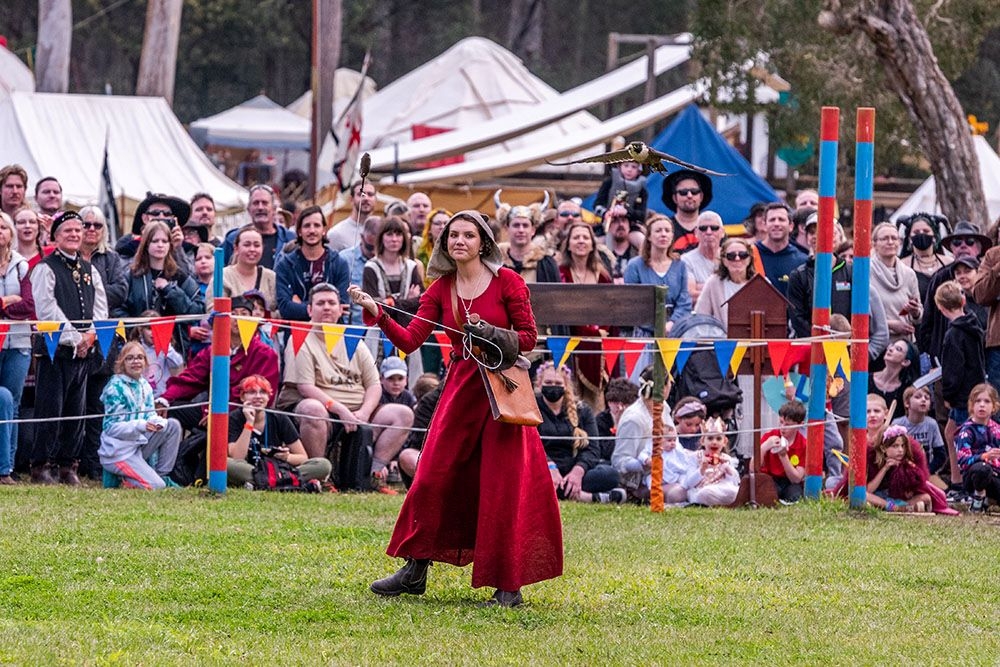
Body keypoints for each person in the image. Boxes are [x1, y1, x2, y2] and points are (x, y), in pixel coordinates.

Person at [349, 209, 562, 608]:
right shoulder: (441, 288)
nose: (459, 241)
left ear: (484, 241)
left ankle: (507, 586)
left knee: (501, 486)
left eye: (468, 235)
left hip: (502, 393)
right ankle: (415, 570)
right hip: (461, 392)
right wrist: (379, 314)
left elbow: (529, 337)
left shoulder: (508, 281)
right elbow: (411, 340)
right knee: (431, 477)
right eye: (452, 235)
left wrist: (491, 334)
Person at [275, 284, 412, 492]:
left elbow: (374, 385)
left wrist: (364, 413)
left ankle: (372, 473)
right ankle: (319, 476)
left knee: (402, 414)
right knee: (312, 408)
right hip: (324, 410)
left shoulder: (353, 340)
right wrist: (340, 410)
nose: (327, 308)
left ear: (341, 309)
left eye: (332, 303)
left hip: (358, 411)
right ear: (310, 310)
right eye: (320, 303)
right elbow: (305, 387)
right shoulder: (300, 338)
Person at [29, 211, 109, 485]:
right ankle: (42, 466)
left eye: (78, 230)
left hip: (84, 351)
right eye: (68, 231)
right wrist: (76, 339)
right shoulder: (45, 268)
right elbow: (47, 310)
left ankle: (68, 465)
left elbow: (100, 308)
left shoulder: (90, 270)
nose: (75, 234)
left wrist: (92, 336)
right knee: (50, 409)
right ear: (56, 236)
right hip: (56, 350)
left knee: (76, 411)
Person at [157, 296, 279, 431]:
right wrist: (165, 399)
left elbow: (261, 395)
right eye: (233, 314)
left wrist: (221, 414)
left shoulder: (265, 354)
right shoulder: (212, 351)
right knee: (172, 410)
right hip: (210, 410)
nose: (237, 319)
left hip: (245, 413)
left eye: (244, 314)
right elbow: (191, 379)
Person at [536, 362, 624, 504]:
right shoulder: (531, 409)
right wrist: (550, 467)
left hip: (573, 470)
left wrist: (578, 471)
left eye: (558, 383)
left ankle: (559, 492)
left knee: (611, 475)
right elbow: (529, 446)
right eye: (548, 382)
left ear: (566, 386)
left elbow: (593, 449)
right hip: (541, 470)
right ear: (539, 384)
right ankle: (586, 497)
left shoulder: (583, 410)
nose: (553, 386)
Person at [98, 341, 182, 490]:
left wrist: (157, 422)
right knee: (156, 486)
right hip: (119, 451)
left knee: (172, 426)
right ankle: (123, 478)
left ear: (145, 361)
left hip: (137, 445)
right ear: (122, 363)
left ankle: (161, 474)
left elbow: (149, 414)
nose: (136, 361)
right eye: (130, 358)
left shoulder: (145, 385)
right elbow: (111, 428)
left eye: (139, 357)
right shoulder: (115, 388)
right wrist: (141, 425)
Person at [227, 374, 332, 490]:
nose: (258, 396)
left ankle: (260, 484)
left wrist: (286, 457)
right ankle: (288, 483)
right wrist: (249, 423)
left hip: (278, 468)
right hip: (250, 468)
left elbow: (302, 457)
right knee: (226, 464)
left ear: (268, 397)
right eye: (251, 392)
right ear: (242, 397)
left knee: (323, 465)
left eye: (263, 392)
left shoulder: (279, 417)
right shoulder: (234, 418)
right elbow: (237, 457)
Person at [116, 221, 205, 353]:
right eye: (155, 241)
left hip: (175, 351)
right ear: (146, 244)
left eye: (164, 241)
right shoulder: (131, 276)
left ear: (170, 245)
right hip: (139, 350)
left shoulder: (179, 276)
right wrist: (137, 332)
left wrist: (170, 291)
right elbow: (118, 309)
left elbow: (197, 311)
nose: (160, 245)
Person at [559, 221, 616, 406]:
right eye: (576, 237)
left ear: (592, 244)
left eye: (585, 237)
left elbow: (611, 308)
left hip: (600, 345)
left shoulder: (604, 276)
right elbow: (561, 308)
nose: (581, 241)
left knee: (595, 404)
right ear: (568, 244)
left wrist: (599, 331)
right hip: (569, 342)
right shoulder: (561, 273)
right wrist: (588, 331)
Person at [274, 205, 351, 322]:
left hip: (332, 334)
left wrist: (301, 305)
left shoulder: (339, 263)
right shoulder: (285, 265)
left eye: (317, 225)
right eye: (306, 226)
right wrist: (327, 306)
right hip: (296, 335)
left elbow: (343, 306)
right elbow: (285, 308)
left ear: (324, 230)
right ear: (299, 231)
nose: (312, 230)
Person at [937, 279, 986, 462]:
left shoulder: (954, 334)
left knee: (964, 439)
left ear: (941, 307)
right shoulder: (974, 325)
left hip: (962, 395)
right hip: (975, 388)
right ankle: (957, 479)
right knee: (951, 433)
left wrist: (948, 395)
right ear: (963, 301)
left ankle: (967, 480)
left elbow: (953, 370)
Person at [0, 212, 32, 485]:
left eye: (3, 227)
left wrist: (3, 305)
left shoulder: (22, 265)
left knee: (13, 402)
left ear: (11, 233)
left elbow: (30, 306)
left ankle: (6, 468)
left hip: (19, 343)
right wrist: (9, 301)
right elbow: (19, 304)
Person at [623, 215, 692, 335]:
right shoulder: (635, 265)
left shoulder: (680, 265)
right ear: (649, 236)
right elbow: (632, 303)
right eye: (658, 231)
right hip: (644, 332)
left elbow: (684, 302)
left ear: (672, 236)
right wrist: (658, 327)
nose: (663, 234)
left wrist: (672, 323)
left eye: (667, 231)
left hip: (674, 331)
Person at [362, 216, 424, 327]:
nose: (394, 239)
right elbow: (371, 305)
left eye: (398, 234)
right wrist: (407, 302)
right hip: (379, 332)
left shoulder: (411, 266)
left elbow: (421, 301)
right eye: (389, 234)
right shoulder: (371, 268)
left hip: (407, 330)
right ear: (381, 237)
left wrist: (391, 302)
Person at [115, 192, 194, 275]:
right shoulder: (127, 247)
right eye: (155, 213)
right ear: (145, 218)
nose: (161, 217)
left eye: (167, 214)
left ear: (173, 219)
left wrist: (177, 249)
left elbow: (189, 280)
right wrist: (144, 245)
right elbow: (124, 277)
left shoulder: (186, 249)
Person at [869, 222, 922, 342]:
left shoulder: (909, 274)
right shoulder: (865, 273)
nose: (890, 242)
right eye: (884, 238)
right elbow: (860, 314)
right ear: (874, 244)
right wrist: (889, 324)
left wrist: (915, 312)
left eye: (894, 238)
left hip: (905, 345)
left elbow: (919, 316)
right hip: (877, 344)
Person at [222, 184, 295, 269]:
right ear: (249, 209)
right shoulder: (233, 239)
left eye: (264, 203)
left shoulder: (290, 239)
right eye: (256, 203)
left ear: (274, 209)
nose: (260, 207)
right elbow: (219, 270)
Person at [207, 226, 277, 313]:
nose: (252, 249)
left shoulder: (271, 277)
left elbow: (279, 311)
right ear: (236, 248)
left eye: (257, 245)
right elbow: (213, 310)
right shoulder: (223, 276)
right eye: (247, 245)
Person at [863, 424, 933, 512]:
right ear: (883, 448)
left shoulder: (909, 461)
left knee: (926, 497)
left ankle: (903, 507)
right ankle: (894, 508)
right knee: (863, 495)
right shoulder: (873, 459)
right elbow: (869, 489)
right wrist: (885, 468)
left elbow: (913, 490)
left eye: (903, 446)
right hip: (881, 498)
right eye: (895, 446)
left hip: (900, 500)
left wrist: (906, 469)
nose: (900, 450)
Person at [955, 383, 1000, 513]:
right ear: (971, 406)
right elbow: (963, 461)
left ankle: (990, 500)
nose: (982, 405)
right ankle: (978, 499)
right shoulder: (967, 430)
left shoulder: (997, 429)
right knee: (982, 469)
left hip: (995, 474)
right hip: (974, 475)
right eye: (978, 401)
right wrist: (983, 457)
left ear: (994, 407)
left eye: (986, 401)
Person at [694, 237, 755, 328]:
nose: (737, 259)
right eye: (731, 256)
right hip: (723, 339)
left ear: (749, 259)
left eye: (743, 255)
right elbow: (701, 318)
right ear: (724, 260)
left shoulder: (762, 283)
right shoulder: (713, 283)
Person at [682, 416, 739, 506]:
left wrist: (727, 469)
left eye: (718, 439)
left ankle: (720, 501)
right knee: (705, 493)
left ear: (724, 442)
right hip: (701, 489)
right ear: (702, 441)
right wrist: (702, 469)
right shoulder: (696, 457)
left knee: (734, 491)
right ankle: (715, 501)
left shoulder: (726, 458)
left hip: (721, 487)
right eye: (710, 438)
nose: (714, 442)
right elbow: (689, 483)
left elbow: (734, 481)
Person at [755, 202, 808, 297]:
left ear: (791, 226)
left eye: (781, 219)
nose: (776, 223)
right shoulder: (750, 255)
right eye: (772, 220)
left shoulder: (802, 261)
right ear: (764, 225)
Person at [759, 400, 807, 503]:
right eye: (781, 422)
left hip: (789, 482)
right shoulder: (769, 436)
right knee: (767, 495)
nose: (782, 428)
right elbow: (752, 468)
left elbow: (796, 479)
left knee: (795, 496)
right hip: (770, 479)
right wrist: (763, 447)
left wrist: (783, 456)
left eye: (788, 425)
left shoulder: (803, 444)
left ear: (800, 424)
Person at [898, 212, 952, 302]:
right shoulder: (902, 266)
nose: (921, 234)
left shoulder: (949, 263)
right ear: (910, 239)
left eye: (926, 231)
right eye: (916, 232)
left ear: (934, 237)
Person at [892, 385, 946, 474]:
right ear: (907, 403)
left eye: (927, 398)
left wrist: (927, 471)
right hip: (902, 471)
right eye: (918, 397)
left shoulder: (932, 424)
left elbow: (940, 455)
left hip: (926, 471)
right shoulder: (897, 424)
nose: (923, 400)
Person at [661, 169, 713, 255]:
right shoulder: (664, 229)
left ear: (701, 196)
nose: (689, 196)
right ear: (674, 198)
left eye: (694, 192)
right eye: (683, 192)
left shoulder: (713, 227)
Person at [340, 216, 381, 325]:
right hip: (353, 325)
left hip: (379, 325)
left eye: (379, 247)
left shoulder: (388, 260)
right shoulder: (345, 259)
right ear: (362, 237)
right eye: (370, 247)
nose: (374, 253)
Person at [869, 339, 919, 420]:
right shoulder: (866, 380)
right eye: (891, 345)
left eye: (898, 349)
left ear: (905, 362)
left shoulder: (906, 390)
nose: (891, 349)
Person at [681, 211, 723, 304]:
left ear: (722, 232)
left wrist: (701, 287)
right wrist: (722, 290)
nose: (708, 232)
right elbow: (690, 295)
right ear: (696, 232)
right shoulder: (686, 260)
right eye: (703, 228)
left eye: (714, 228)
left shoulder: (731, 257)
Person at [327, 181, 376, 252]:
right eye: (361, 195)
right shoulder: (336, 234)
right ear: (351, 200)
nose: (366, 198)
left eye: (370, 194)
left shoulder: (382, 231)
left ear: (376, 199)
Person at [415, 208, 450, 274]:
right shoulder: (419, 252)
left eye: (446, 223)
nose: (442, 227)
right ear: (429, 229)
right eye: (437, 223)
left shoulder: (458, 251)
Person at [13, 206, 46, 271]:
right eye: (21, 222)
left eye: (32, 222)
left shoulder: (51, 252)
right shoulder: (7, 258)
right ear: (14, 227)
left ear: (38, 227)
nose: (27, 226)